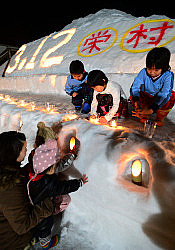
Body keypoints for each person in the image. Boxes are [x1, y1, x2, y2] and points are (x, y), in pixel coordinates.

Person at [27, 139, 88, 249]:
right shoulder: (48, 183)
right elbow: (63, 187)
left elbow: (61, 165)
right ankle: (45, 243)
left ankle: (34, 235)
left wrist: (70, 155)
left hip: (32, 202)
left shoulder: (32, 170)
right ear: (49, 168)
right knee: (44, 225)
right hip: (42, 212)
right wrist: (79, 182)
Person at [0, 131, 54, 250]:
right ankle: (42, 240)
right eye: (24, 148)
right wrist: (48, 205)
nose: (27, 150)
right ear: (13, 152)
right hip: (12, 242)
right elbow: (22, 226)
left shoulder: (5, 169)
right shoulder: (10, 186)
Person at [130, 47, 175, 126]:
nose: (152, 72)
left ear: (163, 68)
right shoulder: (143, 72)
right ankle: (144, 115)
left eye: (156, 70)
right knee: (136, 94)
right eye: (149, 68)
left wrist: (152, 109)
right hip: (147, 97)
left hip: (159, 99)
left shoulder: (168, 75)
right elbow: (135, 87)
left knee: (171, 96)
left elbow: (164, 93)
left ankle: (159, 118)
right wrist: (137, 103)